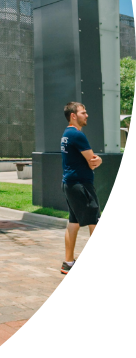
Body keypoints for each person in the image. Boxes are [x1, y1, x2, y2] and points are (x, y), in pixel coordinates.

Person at [60, 102, 102, 275]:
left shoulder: (66, 134)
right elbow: (92, 162)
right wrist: (99, 160)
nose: (87, 115)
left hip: (70, 184)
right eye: (83, 112)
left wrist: (95, 160)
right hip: (81, 185)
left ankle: (68, 263)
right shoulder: (77, 135)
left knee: (73, 223)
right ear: (73, 116)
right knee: (94, 221)